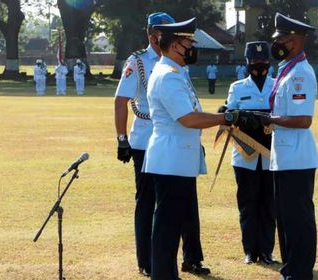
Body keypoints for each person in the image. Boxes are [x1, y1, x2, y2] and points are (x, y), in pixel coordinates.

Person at [144, 17, 257, 280]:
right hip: (171, 160)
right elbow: (188, 118)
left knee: (171, 224)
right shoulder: (168, 76)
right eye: (188, 42)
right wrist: (226, 118)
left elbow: (191, 114)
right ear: (174, 46)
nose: (192, 47)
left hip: (177, 160)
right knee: (167, 227)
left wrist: (222, 116)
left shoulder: (175, 72)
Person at [114, 13, 210, 278]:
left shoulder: (177, 64)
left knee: (186, 205)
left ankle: (191, 256)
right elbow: (121, 100)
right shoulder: (139, 61)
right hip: (148, 141)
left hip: (180, 142)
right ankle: (148, 260)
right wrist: (121, 138)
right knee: (149, 205)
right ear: (151, 33)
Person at [248, 13, 318, 280]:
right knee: (286, 219)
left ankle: (300, 272)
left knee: (298, 220)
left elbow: (304, 119)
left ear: (294, 41)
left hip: (297, 158)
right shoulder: (287, 69)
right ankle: (291, 269)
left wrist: (270, 120)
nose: (275, 45)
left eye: (280, 40)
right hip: (284, 156)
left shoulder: (301, 73)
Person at [222, 41, 278, 265]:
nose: (259, 65)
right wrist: (225, 112)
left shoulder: (277, 85)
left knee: (269, 205)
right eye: (254, 61)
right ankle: (249, 251)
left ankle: (267, 251)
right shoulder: (237, 87)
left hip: (271, 155)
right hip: (244, 157)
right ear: (247, 63)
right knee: (247, 204)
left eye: (263, 60)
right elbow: (229, 112)